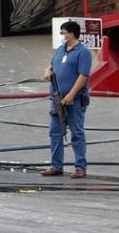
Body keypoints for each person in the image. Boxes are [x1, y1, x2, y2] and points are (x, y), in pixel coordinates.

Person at [41, 20, 93, 179]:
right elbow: (51, 65)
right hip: (57, 99)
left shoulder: (83, 52)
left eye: (63, 33)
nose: (62, 36)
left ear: (71, 33)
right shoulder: (60, 50)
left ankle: (80, 167)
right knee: (55, 132)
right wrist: (47, 71)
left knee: (76, 132)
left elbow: (83, 75)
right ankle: (56, 166)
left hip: (74, 100)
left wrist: (71, 95)